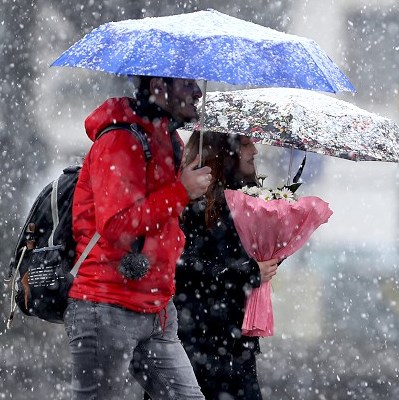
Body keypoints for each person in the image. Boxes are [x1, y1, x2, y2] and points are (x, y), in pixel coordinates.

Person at [66, 75, 213, 399]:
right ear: (159, 85)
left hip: (158, 309)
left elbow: (161, 219)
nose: (197, 92)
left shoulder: (167, 138)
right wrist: (181, 191)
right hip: (106, 306)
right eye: (187, 84)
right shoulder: (119, 139)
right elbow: (117, 225)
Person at [174, 130, 280, 400]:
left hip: (234, 343)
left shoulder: (247, 202)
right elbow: (182, 267)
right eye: (246, 144)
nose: (254, 151)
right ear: (224, 151)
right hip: (194, 342)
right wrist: (248, 272)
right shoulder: (190, 204)